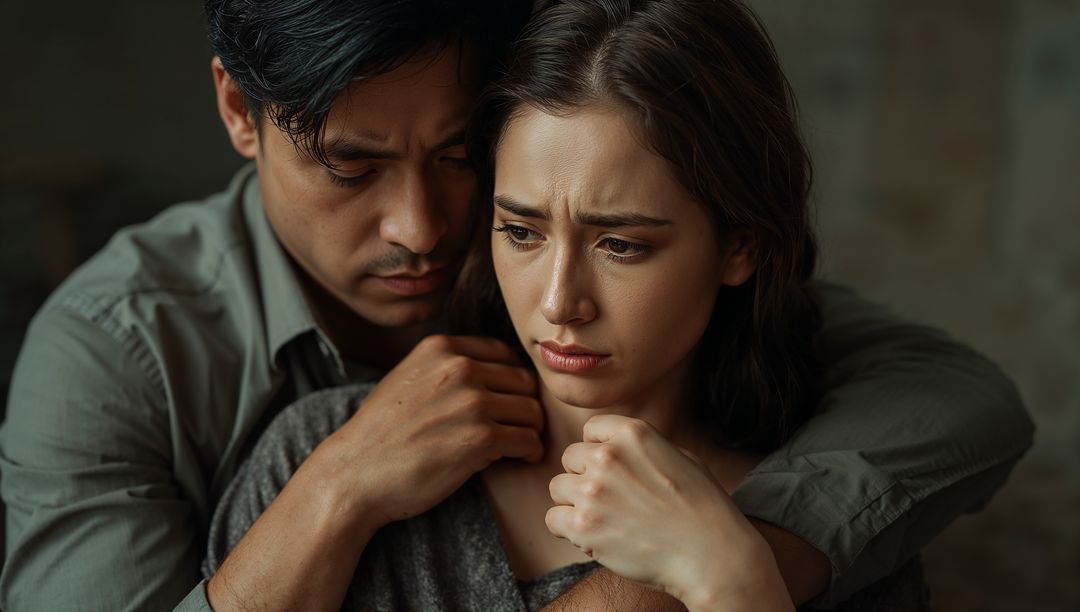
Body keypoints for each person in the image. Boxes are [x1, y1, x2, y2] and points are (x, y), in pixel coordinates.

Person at [0, 0, 1031, 611]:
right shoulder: (130, 356)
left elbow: (958, 396)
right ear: (237, 110)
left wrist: (733, 570)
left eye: (456, 161)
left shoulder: (812, 439)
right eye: (522, 230)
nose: (420, 229)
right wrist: (335, 493)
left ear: (741, 250)